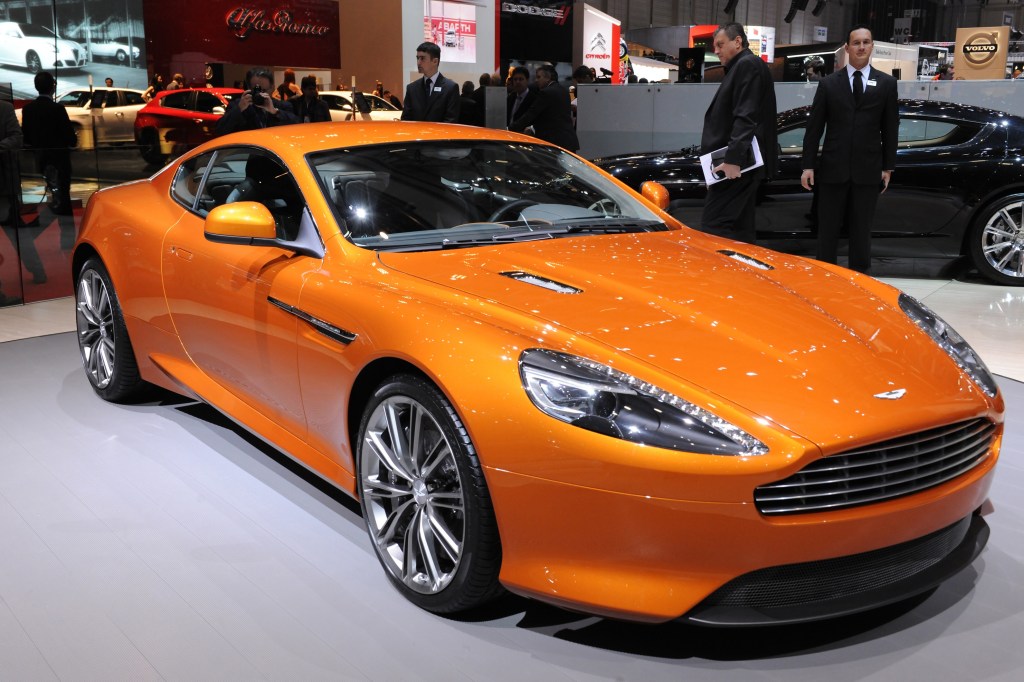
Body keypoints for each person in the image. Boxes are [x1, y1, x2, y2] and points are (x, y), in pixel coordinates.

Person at [800, 24, 898, 275]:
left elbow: (890, 128)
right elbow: (814, 128)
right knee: (828, 229)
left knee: (862, 230)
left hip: (868, 170)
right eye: (857, 43)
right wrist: (807, 165)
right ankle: (825, 276)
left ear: (872, 46)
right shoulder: (829, 84)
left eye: (866, 42)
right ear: (847, 48)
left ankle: (860, 278)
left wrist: (888, 166)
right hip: (833, 169)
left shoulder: (886, 84)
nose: (862, 47)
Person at [699, 22, 777, 244]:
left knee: (714, 227)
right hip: (741, 165)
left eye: (720, 45)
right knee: (740, 231)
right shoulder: (744, 66)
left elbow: (746, 116)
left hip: (738, 166)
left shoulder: (747, 66)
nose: (716, 51)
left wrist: (732, 160)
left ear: (738, 42)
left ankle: (717, 278)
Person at [22, 71, 76, 217]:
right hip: (59, 156)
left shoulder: (28, 109)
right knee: (63, 188)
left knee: (51, 184)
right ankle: (64, 213)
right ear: (52, 87)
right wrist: (73, 142)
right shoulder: (58, 109)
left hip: (40, 156)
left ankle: (57, 208)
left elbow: (26, 135)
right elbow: (69, 134)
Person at [508, 64, 579, 152]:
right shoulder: (563, 90)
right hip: (568, 141)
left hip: (554, 143)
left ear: (548, 78)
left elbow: (531, 114)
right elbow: (552, 116)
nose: (536, 81)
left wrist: (510, 129)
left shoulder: (546, 93)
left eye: (539, 77)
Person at [215, 67, 299, 135]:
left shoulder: (283, 106)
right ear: (248, 88)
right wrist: (239, 109)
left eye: (264, 90)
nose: (260, 94)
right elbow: (220, 130)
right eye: (257, 90)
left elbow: (297, 127)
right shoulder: (239, 105)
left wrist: (274, 111)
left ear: (272, 88)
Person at [401, 41, 460, 123]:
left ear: (435, 61)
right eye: (417, 58)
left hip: (440, 135)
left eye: (422, 58)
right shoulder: (412, 88)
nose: (418, 62)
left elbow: (451, 121)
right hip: (416, 135)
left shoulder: (450, 88)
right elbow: (406, 120)